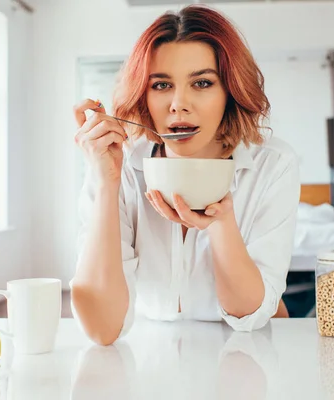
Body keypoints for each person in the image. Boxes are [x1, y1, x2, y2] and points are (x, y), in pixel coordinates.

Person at [70, 4, 301, 346]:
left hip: (248, 351)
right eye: (161, 85)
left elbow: (248, 315)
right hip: (151, 357)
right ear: (143, 95)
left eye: (202, 83)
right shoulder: (120, 166)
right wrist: (107, 183)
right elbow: (102, 328)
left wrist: (221, 225)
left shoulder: (272, 164)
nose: (179, 103)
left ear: (230, 92)